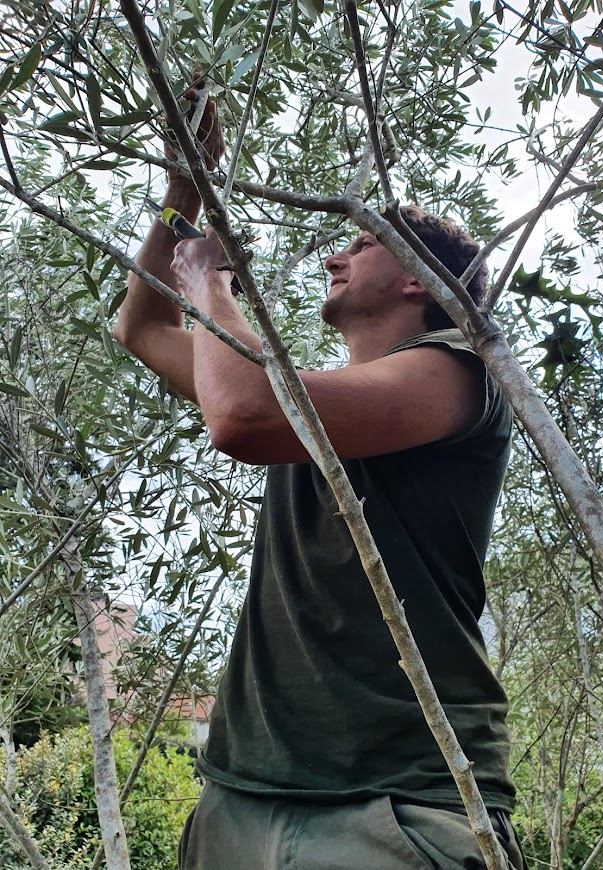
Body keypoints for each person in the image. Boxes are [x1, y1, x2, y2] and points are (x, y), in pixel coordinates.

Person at [114, 90, 526, 870]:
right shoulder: (305, 396)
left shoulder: (456, 374)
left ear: (417, 279)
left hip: (391, 803)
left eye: (361, 244)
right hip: (245, 789)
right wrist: (181, 199)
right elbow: (141, 328)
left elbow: (243, 419)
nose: (334, 257)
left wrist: (211, 280)